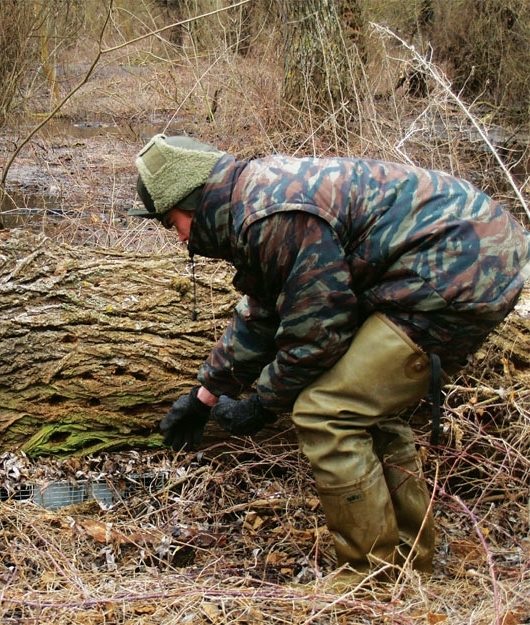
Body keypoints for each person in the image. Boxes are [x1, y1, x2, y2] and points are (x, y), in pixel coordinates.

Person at [129, 133, 530, 586]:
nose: (179, 237)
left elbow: (316, 333)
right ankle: (411, 564)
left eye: (171, 223)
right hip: (464, 256)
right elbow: (265, 311)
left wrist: (261, 404)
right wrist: (204, 396)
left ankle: (369, 582)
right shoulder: (254, 198)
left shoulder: (269, 216)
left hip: (459, 272)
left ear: (194, 202)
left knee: (327, 411)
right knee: (369, 409)